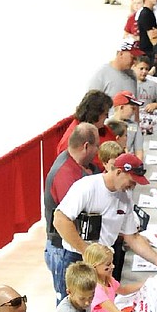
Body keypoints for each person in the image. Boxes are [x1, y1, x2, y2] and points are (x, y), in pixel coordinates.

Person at [52, 153, 157, 274]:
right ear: (118, 172)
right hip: (78, 259)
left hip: (103, 261)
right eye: (132, 181)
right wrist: (86, 251)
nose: (133, 186)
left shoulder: (125, 197)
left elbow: (132, 237)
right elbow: (60, 220)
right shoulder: (87, 187)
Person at [44, 122, 101, 300]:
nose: (98, 151)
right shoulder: (65, 175)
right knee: (69, 304)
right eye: (96, 146)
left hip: (77, 248)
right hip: (65, 252)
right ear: (86, 146)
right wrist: (86, 251)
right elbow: (66, 219)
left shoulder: (85, 167)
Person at [83, 242, 154, 312]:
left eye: (112, 263)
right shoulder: (97, 291)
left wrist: (145, 283)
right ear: (94, 266)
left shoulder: (108, 280)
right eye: (108, 265)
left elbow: (124, 290)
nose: (112, 267)